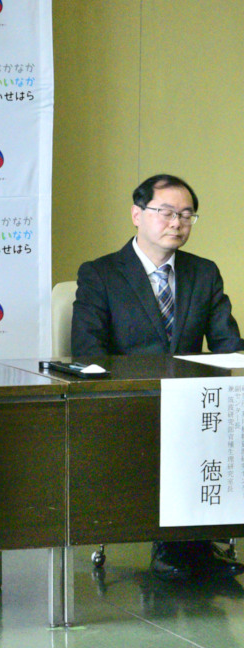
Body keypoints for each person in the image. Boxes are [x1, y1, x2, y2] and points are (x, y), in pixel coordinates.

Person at [72, 173, 244, 581]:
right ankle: (177, 546)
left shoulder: (203, 272)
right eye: (166, 212)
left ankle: (198, 537)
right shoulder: (100, 273)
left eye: (186, 215)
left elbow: (228, 344)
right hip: (129, 400)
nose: (176, 223)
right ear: (137, 214)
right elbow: (88, 350)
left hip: (194, 401)